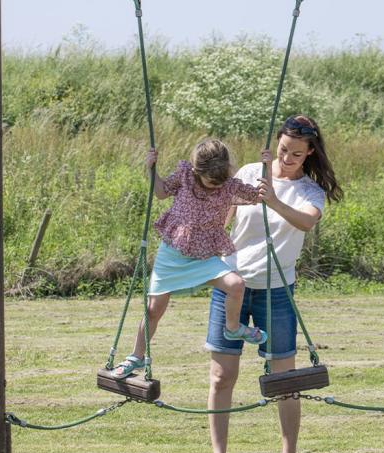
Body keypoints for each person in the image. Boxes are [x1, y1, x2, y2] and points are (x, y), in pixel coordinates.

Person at [203, 115, 342, 453]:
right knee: (221, 377)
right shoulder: (250, 172)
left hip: (277, 291)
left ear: (310, 152)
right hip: (231, 284)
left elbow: (307, 222)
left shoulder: (311, 191)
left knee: (285, 379)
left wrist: (275, 201)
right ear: (275, 145)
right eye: (283, 150)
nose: (288, 157)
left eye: (297, 153)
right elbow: (221, 216)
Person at [111, 139, 267, 379]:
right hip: (173, 254)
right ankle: (136, 356)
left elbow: (261, 195)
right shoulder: (184, 176)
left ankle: (233, 328)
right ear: (197, 171)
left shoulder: (229, 185)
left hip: (205, 256)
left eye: (221, 181)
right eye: (210, 182)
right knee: (153, 310)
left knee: (236, 285)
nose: (216, 187)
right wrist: (151, 168)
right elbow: (161, 192)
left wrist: (267, 169)